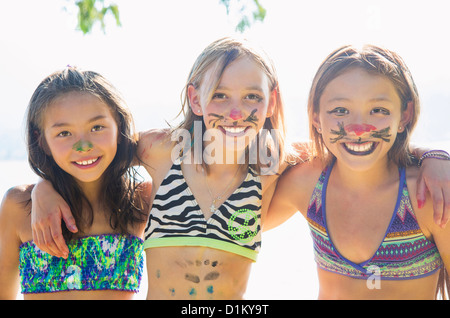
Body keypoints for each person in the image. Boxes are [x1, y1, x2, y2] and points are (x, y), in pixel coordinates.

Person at [30, 38, 450, 300]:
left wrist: (434, 157)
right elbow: (90, 155)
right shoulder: (160, 149)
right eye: (220, 97)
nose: (236, 112)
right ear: (195, 100)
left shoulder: (276, 161)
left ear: (270, 103)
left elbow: (358, 147)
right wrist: (43, 188)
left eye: (252, 97)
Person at [267, 44, 450, 299]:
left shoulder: (429, 196)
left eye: (378, 110)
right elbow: (241, 228)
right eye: (340, 111)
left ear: (404, 115)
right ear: (317, 117)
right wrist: (274, 159)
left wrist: (434, 155)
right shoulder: (308, 184)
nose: (359, 129)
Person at [0, 67, 151, 299]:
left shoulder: (141, 200)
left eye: (97, 127)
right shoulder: (18, 206)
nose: (84, 146)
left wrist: (43, 186)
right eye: (64, 133)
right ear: (41, 140)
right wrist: (42, 186)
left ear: (119, 127)